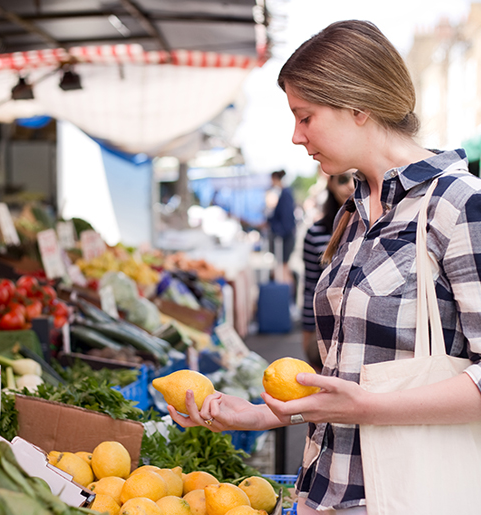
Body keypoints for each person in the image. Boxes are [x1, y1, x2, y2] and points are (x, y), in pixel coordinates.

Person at [166, 19, 481, 514]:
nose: (295, 136)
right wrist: (261, 415)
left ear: (358, 106)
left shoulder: (458, 205)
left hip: (402, 495)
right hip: (321, 490)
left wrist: (368, 408)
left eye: (305, 116)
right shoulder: (352, 213)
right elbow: (347, 376)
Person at [302, 170, 355, 371]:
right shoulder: (316, 233)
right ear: (331, 184)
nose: (350, 185)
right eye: (342, 179)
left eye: (356, 178)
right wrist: (307, 332)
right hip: (326, 332)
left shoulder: (380, 227)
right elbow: (310, 287)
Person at [266, 170, 296, 283]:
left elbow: (286, 218)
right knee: (282, 267)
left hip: (284, 238)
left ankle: (288, 296)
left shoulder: (285, 194)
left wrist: (278, 232)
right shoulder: (283, 193)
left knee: (283, 267)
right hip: (284, 236)